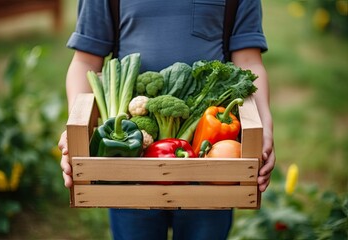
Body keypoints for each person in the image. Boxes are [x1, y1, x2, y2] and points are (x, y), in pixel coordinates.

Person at [58, 0, 276, 239]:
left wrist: (264, 126)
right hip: (130, 153)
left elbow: (248, 62)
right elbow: (85, 61)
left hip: (211, 156)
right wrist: (76, 126)